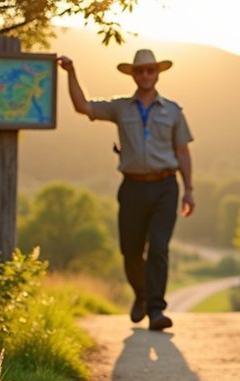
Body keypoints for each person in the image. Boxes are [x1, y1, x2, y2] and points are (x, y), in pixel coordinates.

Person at [57, 49, 195, 331]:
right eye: (140, 71)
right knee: (130, 251)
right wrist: (71, 72)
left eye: (150, 70)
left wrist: (189, 189)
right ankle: (141, 296)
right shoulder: (120, 108)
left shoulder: (173, 111)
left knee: (158, 247)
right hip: (132, 187)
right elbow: (83, 106)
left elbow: (182, 151)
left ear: (157, 73)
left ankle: (156, 311)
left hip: (166, 186)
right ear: (133, 74)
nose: (145, 75)